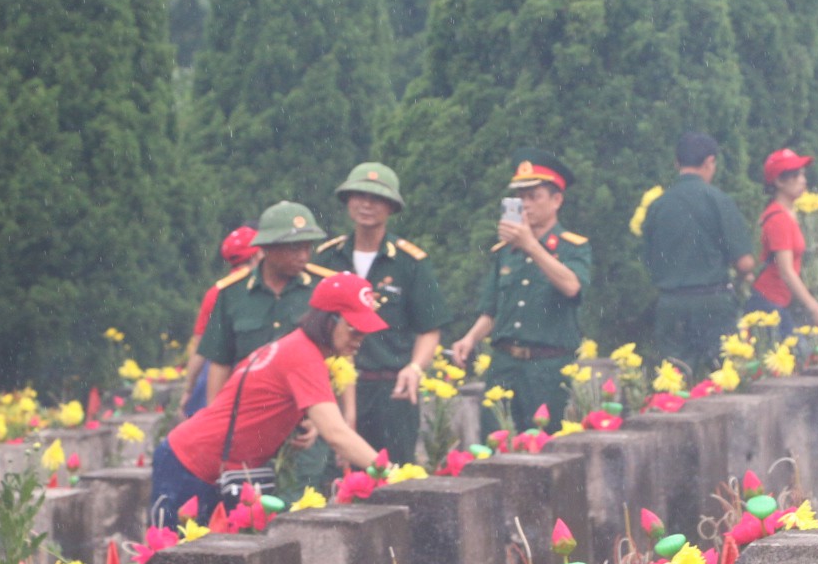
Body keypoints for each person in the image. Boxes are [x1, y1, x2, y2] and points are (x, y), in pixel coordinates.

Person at [150, 272, 384, 526]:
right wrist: (391, 472)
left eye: (365, 331)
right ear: (328, 320)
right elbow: (337, 434)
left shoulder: (298, 348)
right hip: (190, 464)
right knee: (171, 558)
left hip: (208, 463)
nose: (360, 339)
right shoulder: (304, 357)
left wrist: (306, 422)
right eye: (354, 329)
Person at [450, 151, 591, 436]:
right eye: (521, 197)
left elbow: (572, 286)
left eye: (534, 196)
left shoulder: (572, 246)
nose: (526, 204)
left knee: (546, 447)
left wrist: (532, 246)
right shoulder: (505, 252)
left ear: (556, 200)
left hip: (548, 367)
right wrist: (470, 338)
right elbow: (491, 309)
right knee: (493, 444)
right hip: (504, 364)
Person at [315, 162, 448, 463]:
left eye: (376, 198)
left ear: (391, 207)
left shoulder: (410, 262)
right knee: (333, 481)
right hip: (334, 389)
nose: (366, 204)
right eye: (359, 195)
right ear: (347, 200)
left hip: (392, 390)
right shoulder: (327, 258)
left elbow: (430, 328)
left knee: (395, 476)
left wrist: (414, 368)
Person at [640, 133, 754, 377]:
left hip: (670, 305)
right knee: (721, 377)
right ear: (709, 162)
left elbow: (648, 260)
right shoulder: (718, 200)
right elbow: (744, 263)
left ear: (676, 163)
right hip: (713, 303)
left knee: (675, 379)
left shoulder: (657, 206)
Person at [198, 201, 336, 401]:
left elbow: (339, 361)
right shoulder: (232, 293)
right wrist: (215, 418)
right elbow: (220, 363)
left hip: (310, 408)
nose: (303, 256)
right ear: (267, 247)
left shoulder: (323, 288)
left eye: (308, 248)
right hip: (251, 409)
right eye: (294, 248)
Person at [180, 225, 262, 417]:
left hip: (218, 377)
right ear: (257, 255)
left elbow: (200, 348)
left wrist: (188, 389)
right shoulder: (264, 290)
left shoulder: (216, 292)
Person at [747, 148, 818, 332]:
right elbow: (786, 272)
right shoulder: (778, 219)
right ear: (779, 181)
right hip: (767, 303)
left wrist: (814, 251)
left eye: (802, 173)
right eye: (795, 175)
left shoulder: (790, 214)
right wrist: (815, 308)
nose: (803, 180)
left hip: (779, 302)